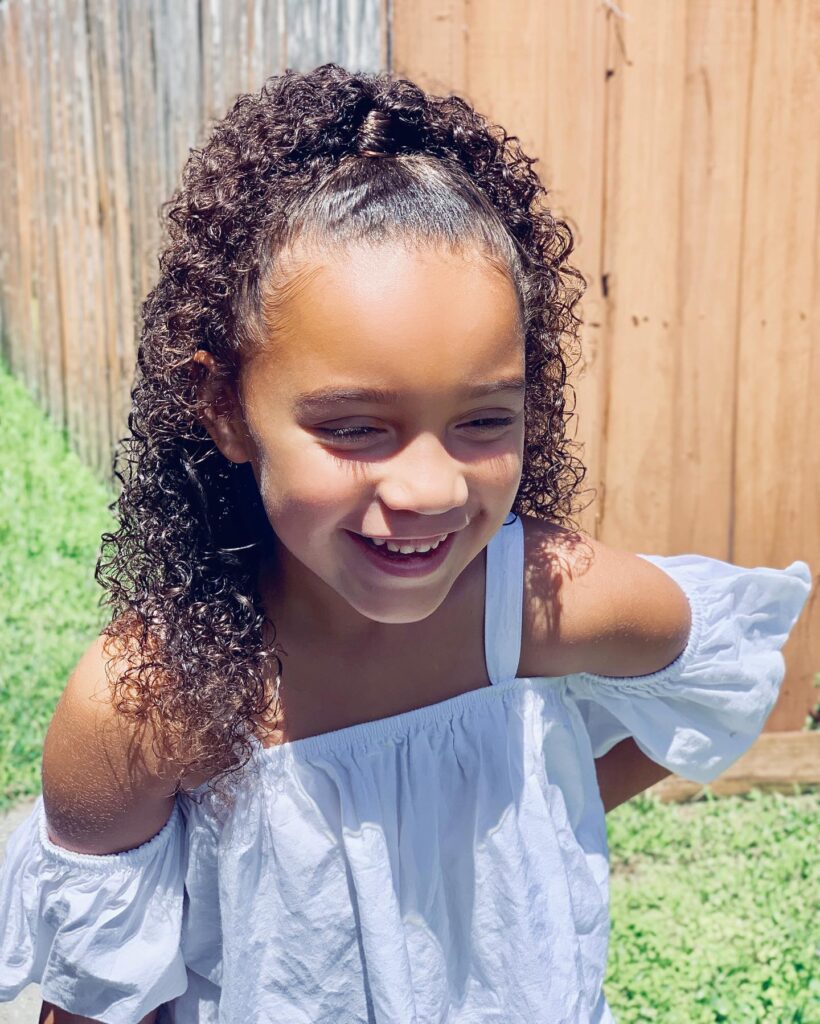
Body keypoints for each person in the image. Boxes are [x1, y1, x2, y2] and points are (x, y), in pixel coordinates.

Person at [0, 64, 812, 1024]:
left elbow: (717, 666)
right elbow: (92, 1003)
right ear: (225, 407)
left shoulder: (538, 602)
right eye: (353, 428)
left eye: (483, 420)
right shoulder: (146, 706)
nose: (431, 488)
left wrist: (552, 806)